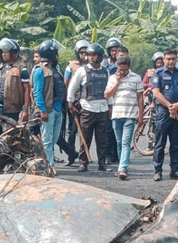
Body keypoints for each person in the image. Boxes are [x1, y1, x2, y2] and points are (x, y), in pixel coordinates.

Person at [67, 42, 110, 173]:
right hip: (87, 109)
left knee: (102, 139)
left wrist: (111, 106)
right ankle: (83, 163)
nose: (91, 57)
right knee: (85, 138)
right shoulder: (82, 70)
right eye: (89, 55)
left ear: (100, 56)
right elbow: (72, 88)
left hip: (103, 108)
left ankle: (102, 163)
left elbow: (109, 89)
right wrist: (70, 102)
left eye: (94, 55)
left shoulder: (105, 71)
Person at [150, 48, 178, 181]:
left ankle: (175, 170)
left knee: (175, 143)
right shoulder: (158, 73)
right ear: (164, 59)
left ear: (176, 59)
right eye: (168, 59)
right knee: (160, 143)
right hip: (163, 112)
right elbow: (156, 93)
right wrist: (170, 106)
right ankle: (158, 170)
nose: (171, 61)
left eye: (173, 59)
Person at [104, 54, 143, 180]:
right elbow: (107, 95)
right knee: (119, 143)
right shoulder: (112, 78)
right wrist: (117, 81)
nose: (122, 72)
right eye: (120, 69)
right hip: (116, 114)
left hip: (130, 115)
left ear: (129, 67)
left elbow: (140, 97)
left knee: (126, 142)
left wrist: (140, 115)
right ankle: (122, 165)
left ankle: (122, 168)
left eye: (125, 70)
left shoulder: (136, 78)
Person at [31, 39, 66, 168]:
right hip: (48, 110)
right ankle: (49, 166)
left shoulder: (55, 68)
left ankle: (48, 163)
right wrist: (42, 110)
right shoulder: (40, 70)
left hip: (57, 109)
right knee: (47, 140)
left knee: (53, 139)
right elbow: (37, 92)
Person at [0, 38, 29, 135]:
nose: (3, 54)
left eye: (6, 52)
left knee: (11, 136)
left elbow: (27, 90)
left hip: (12, 109)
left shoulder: (21, 69)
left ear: (14, 53)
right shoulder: (0, 67)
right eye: (2, 52)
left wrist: (25, 111)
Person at [61, 39, 91, 161]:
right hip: (74, 102)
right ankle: (71, 155)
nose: (84, 55)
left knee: (85, 131)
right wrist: (70, 101)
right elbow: (66, 83)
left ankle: (83, 156)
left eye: (86, 52)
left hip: (87, 102)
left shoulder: (93, 67)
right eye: (81, 52)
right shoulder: (71, 67)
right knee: (72, 130)